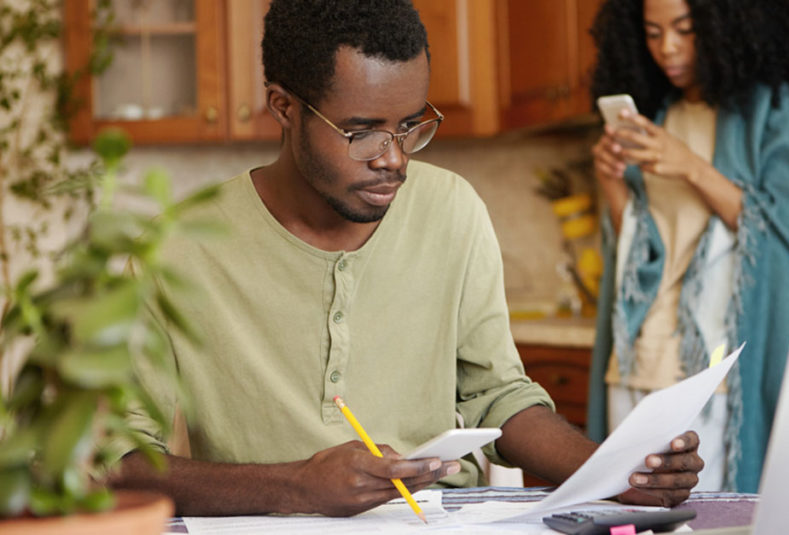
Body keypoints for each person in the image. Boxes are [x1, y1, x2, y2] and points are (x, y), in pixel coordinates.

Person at [109, 0, 704, 517]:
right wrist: (297, 485)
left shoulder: (452, 210)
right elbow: (120, 461)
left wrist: (617, 470)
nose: (393, 159)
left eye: (410, 125)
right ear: (284, 107)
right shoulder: (178, 246)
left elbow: (498, 395)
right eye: (362, 131)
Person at [585, 0, 789, 494]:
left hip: (713, 375)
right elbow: (640, 255)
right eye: (652, 33)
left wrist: (691, 166)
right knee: (623, 515)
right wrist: (611, 184)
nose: (667, 48)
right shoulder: (657, 114)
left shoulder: (766, 109)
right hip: (636, 360)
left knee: (704, 519)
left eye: (685, 29)